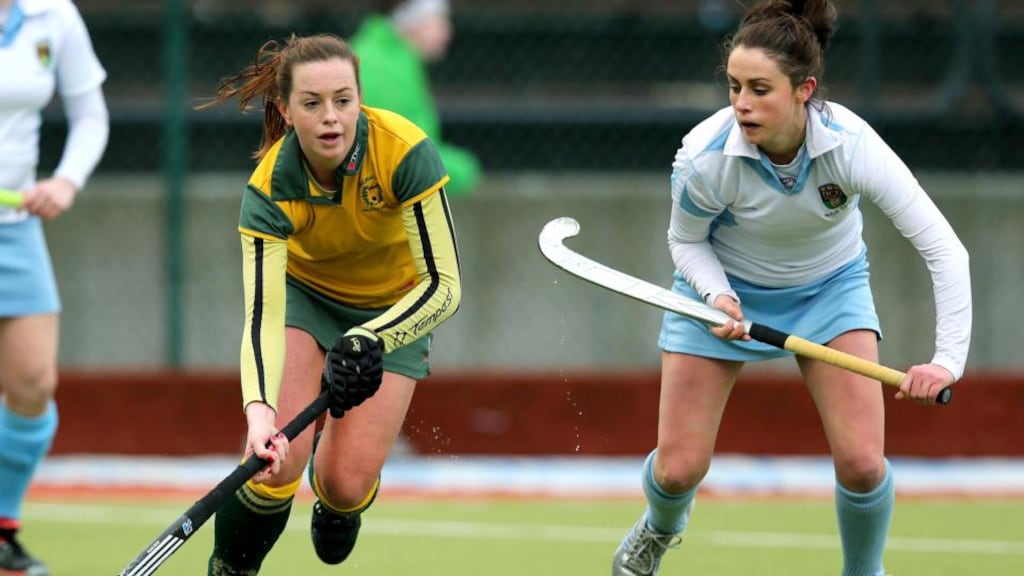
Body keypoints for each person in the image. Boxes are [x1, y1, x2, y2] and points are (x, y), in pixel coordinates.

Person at [611, 1, 972, 575]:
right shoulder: (705, 159)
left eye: (760, 89)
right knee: (678, 470)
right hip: (722, 292)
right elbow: (686, 243)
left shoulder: (851, 145)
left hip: (831, 290)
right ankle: (660, 527)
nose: (741, 104)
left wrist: (947, 360)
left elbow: (944, 249)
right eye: (733, 87)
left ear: (804, 89)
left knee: (861, 463)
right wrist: (717, 297)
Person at [197, 33, 462, 575]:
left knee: (343, 484)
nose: (331, 118)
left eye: (343, 100)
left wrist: (371, 338)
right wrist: (259, 414)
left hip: (395, 310)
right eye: (312, 104)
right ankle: (230, 567)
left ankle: (342, 503)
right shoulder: (269, 187)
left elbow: (445, 285)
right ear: (286, 111)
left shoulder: (404, 151)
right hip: (308, 301)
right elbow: (262, 318)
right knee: (273, 463)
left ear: (359, 99)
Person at [0, 0, 109, 574]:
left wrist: (65, 182)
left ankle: (1, 529)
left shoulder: (52, 14)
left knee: (32, 383)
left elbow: (90, 115)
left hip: (15, 230)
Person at [350, 0, 481, 197]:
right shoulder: (388, 69)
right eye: (440, 19)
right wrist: (465, 170)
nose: (448, 30)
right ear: (413, 21)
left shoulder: (385, 57)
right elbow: (403, 155)